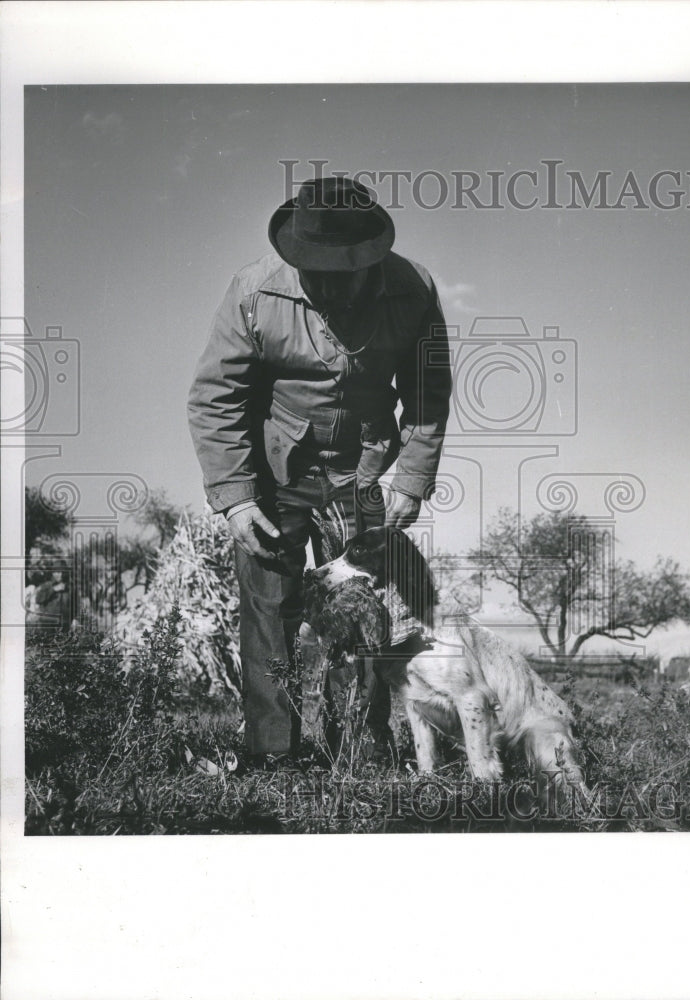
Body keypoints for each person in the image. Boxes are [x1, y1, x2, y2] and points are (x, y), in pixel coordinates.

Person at [187, 177, 451, 767]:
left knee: (363, 611)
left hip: (365, 470)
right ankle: (274, 756)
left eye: (342, 270)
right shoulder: (253, 292)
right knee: (270, 610)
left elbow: (428, 391)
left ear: (370, 256)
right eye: (316, 269)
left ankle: (358, 750)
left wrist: (409, 478)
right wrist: (235, 498)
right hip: (275, 470)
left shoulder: (414, 290)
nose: (329, 283)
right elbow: (216, 398)